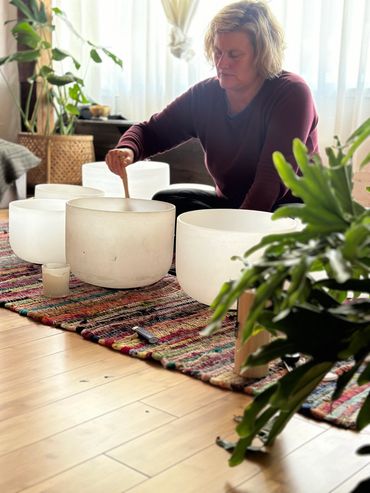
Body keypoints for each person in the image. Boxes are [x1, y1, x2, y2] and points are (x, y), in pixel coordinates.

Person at [106, 0, 318, 215]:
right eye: (218, 52)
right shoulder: (205, 95)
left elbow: (270, 182)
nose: (222, 63)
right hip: (234, 206)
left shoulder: (291, 93)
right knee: (168, 202)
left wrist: (231, 234)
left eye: (234, 55)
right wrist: (128, 149)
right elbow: (151, 131)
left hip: (290, 208)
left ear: (262, 54)